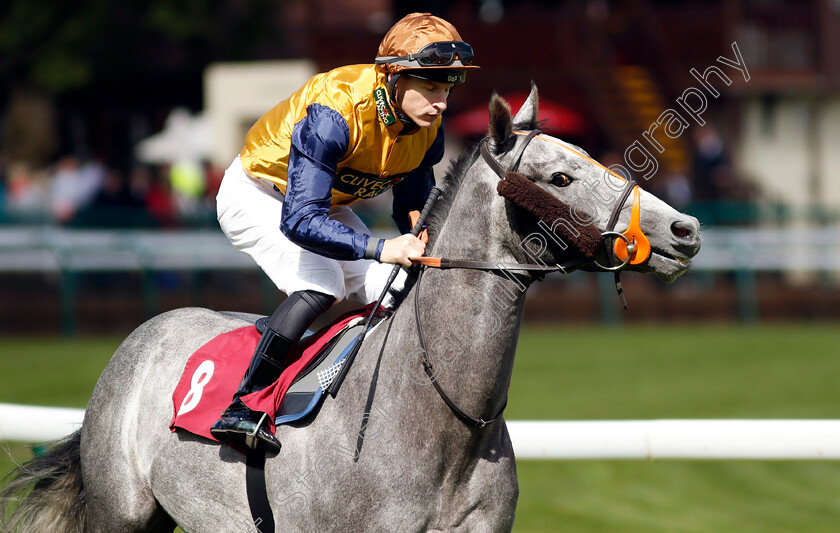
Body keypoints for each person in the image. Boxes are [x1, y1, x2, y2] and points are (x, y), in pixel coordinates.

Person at [210, 12, 478, 453]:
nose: (442, 102)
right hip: (258, 194)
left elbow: (413, 204)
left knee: (395, 289)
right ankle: (244, 404)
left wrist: (421, 240)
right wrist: (380, 247)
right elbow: (299, 220)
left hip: (322, 205)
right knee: (323, 283)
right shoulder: (333, 112)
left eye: (447, 88)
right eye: (431, 87)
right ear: (394, 75)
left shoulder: (426, 127)